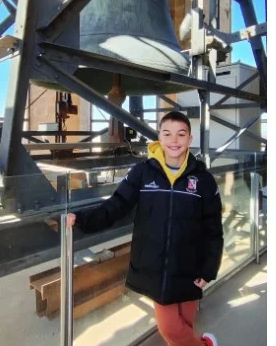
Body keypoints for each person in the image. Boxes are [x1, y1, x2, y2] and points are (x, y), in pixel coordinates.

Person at [66, 111, 223, 346]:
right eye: (167, 134)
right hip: (155, 267)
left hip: (191, 266)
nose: (174, 140)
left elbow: (213, 228)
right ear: (159, 138)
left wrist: (209, 268)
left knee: (184, 325)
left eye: (181, 134)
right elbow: (116, 205)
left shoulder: (204, 180)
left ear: (190, 140)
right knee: (171, 328)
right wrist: (81, 219)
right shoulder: (142, 173)